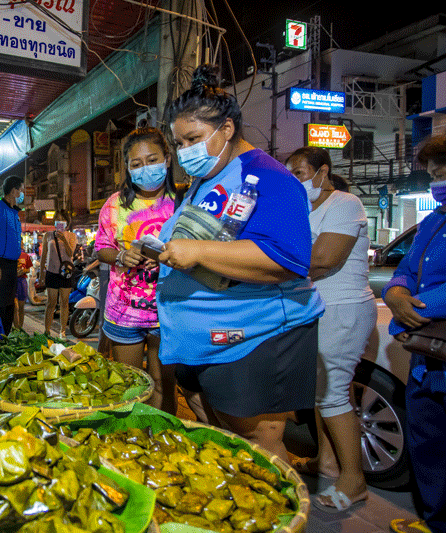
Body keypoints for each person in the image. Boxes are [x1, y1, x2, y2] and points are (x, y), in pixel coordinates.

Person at [156, 65, 324, 460]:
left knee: (258, 446)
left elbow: (286, 257)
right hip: (205, 340)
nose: (185, 153)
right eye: (179, 143)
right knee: (226, 440)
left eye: (193, 139)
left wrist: (197, 252)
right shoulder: (206, 180)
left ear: (227, 129)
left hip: (254, 337)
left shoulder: (270, 177)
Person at [285, 146, 376, 512]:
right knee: (322, 391)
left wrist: (276, 259)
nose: (296, 180)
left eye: (301, 172)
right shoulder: (303, 211)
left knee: (334, 394)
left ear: (323, 172)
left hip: (342, 309)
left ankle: (354, 481)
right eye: (291, 174)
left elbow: (322, 259)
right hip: (316, 309)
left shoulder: (344, 203)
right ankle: (326, 462)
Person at [383, 134, 446, 533]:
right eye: (433, 166)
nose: (436, 173)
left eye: (444, 165)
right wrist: (396, 294)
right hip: (430, 361)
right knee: (429, 445)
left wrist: (410, 312)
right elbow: (405, 269)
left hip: (432, 338)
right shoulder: (433, 221)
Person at [95, 127, 178, 413]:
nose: (146, 169)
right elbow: (102, 247)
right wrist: (120, 256)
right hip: (123, 312)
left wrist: (168, 256)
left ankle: (164, 439)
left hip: (167, 311)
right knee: (128, 384)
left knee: (162, 382)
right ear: (128, 169)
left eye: (152, 160)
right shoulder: (114, 205)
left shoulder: (182, 204)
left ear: (167, 159)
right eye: (137, 164)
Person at [0, 175, 25, 334]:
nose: (22, 193)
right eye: (21, 190)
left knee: (9, 306)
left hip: (10, 265)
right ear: (14, 191)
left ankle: (4, 340)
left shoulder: (14, 213)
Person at [39, 212, 78, 339]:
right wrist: (41, 274)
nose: (59, 222)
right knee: (51, 302)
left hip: (66, 273)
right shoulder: (48, 235)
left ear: (67, 222)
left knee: (64, 302)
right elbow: (44, 255)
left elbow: (70, 253)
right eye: (57, 220)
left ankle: (62, 332)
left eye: (62, 220)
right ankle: (47, 330)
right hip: (51, 272)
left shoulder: (72, 236)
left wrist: (64, 240)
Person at [14, 245, 33, 330]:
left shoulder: (26, 256)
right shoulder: (10, 255)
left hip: (22, 282)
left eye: (21, 243)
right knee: (15, 307)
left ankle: (20, 328)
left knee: (21, 307)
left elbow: (29, 269)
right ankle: (16, 327)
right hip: (13, 282)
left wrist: (24, 271)